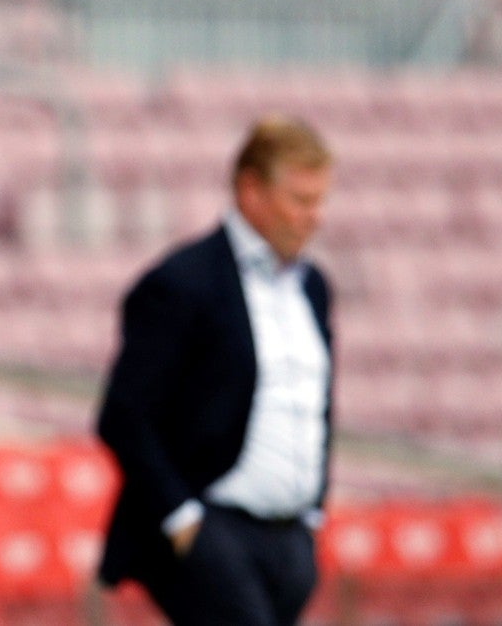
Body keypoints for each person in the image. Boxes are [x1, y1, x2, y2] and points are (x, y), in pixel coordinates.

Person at [96, 115, 335, 625]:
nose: (314, 216)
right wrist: (184, 521)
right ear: (251, 190)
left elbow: (318, 404)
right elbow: (123, 414)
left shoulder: (313, 287)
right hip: (214, 531)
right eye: (300, 200)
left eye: (320, 200)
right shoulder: (183, 283)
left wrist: (313, 515)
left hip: (291, 541)